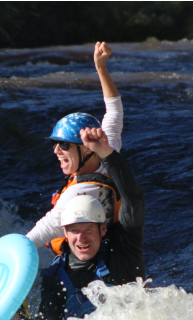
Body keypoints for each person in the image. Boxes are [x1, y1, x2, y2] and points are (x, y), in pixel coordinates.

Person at [28, 127, 144, 320]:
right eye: (74, 230)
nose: (81, 238)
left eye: (89, 229)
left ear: (103, 228)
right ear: (64, 232)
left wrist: (106, 153)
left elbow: (133, 198)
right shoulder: (56, 277)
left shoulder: (125, 246)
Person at [26, 41, 124, 255]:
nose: (56, 151)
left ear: (86, 149)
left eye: (64, 145)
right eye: (55, 144)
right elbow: (114, 111)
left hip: (91, 266)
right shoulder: (107, 151)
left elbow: (44, 229)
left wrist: (5, 253)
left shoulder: (80, 192)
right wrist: (100, 67)